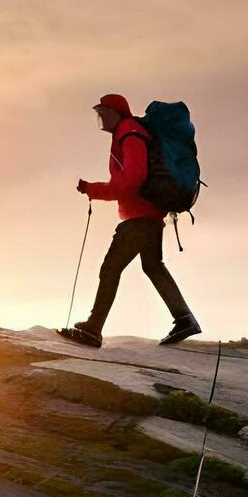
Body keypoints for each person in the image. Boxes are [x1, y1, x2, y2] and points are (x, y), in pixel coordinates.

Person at [58, 93, 201, 348]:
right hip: (150, 215)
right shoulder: (128, 132)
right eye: (98, 113)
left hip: (139, 217)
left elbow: (133, 179)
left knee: (110, 268)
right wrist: (95, 190)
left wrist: (95, 189)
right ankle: (185, 318)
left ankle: (93, 329)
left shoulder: (129, 133)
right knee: (153, 266)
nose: (100, 117)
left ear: (116, 112)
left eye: (103, 112)